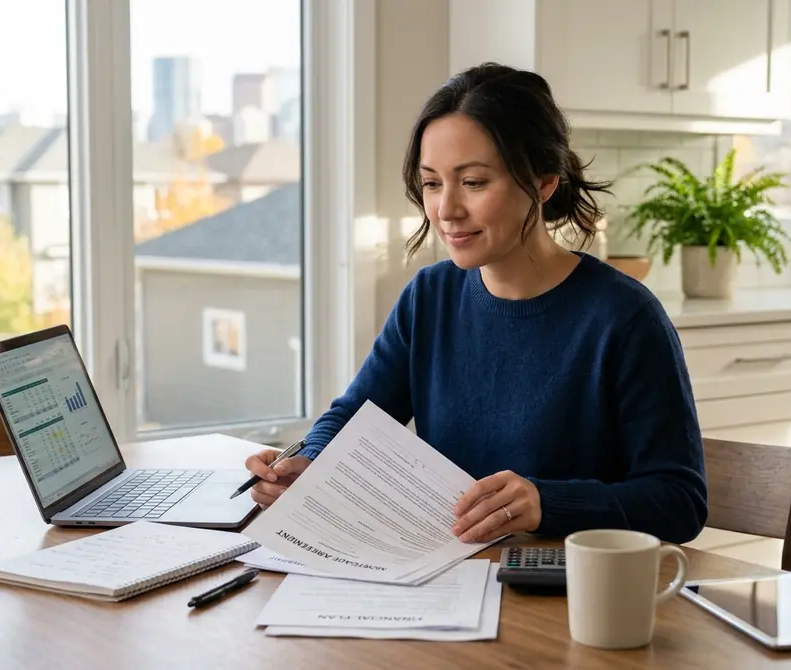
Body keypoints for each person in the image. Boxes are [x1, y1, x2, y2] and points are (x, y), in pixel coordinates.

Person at [243, 62, 708, 545]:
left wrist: (545, 503)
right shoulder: (429, 298)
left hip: (564, 595)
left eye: (474, 182)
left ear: (544, 183)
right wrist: (308, 464)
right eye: (432, 183)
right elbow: (351, 418)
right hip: (444, 578)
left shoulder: (625, 317)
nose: (446, 210)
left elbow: (679, 501)